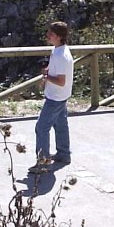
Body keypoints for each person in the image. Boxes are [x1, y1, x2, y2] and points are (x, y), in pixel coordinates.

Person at [31, 21, 73, 173]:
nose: (48, 36)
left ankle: (43, 163)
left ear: (60, 37)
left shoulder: (62, 55)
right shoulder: (57, 50)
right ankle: (63, 154)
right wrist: (48, 72)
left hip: (56, 97)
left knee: (41, 128)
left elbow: (61, 81)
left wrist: (46, 76)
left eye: (51, 34)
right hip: (60, 96)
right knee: (60, 125)